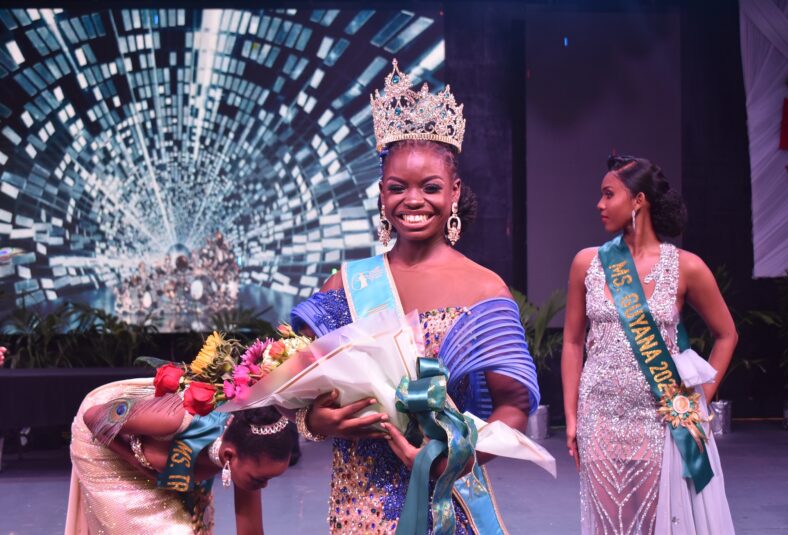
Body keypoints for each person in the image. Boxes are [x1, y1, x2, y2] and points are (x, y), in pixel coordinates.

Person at [289, 60, 540, 534]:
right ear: (381, 194)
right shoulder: (347, 283)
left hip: (444, 499)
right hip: (357, 502)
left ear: (454, 192)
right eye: (397, 188)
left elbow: (514, 407)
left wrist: (457, 458)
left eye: (430, 187)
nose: (413, 200)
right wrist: (316, 422)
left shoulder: (484, 288)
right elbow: (298, 390)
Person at [561, 155, 737, 534]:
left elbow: (727, 335)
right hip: (599, 417)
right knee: (610, 524)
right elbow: (573, 342)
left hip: (657, 419)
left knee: (655, 523)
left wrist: (695, 403)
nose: (600, 204)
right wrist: (572, 417)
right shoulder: (587, 263)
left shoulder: (686, 266)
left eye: (609, 194)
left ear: (638, 200)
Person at [65, 378, 296, 535]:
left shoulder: (247, 451)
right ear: (228, 456)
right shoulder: (174, 419)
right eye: (260, 480)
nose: (264, 486)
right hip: (106, 437)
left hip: (160, 464)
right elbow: (94, 417)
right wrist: (139, 464)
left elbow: (250, 530)